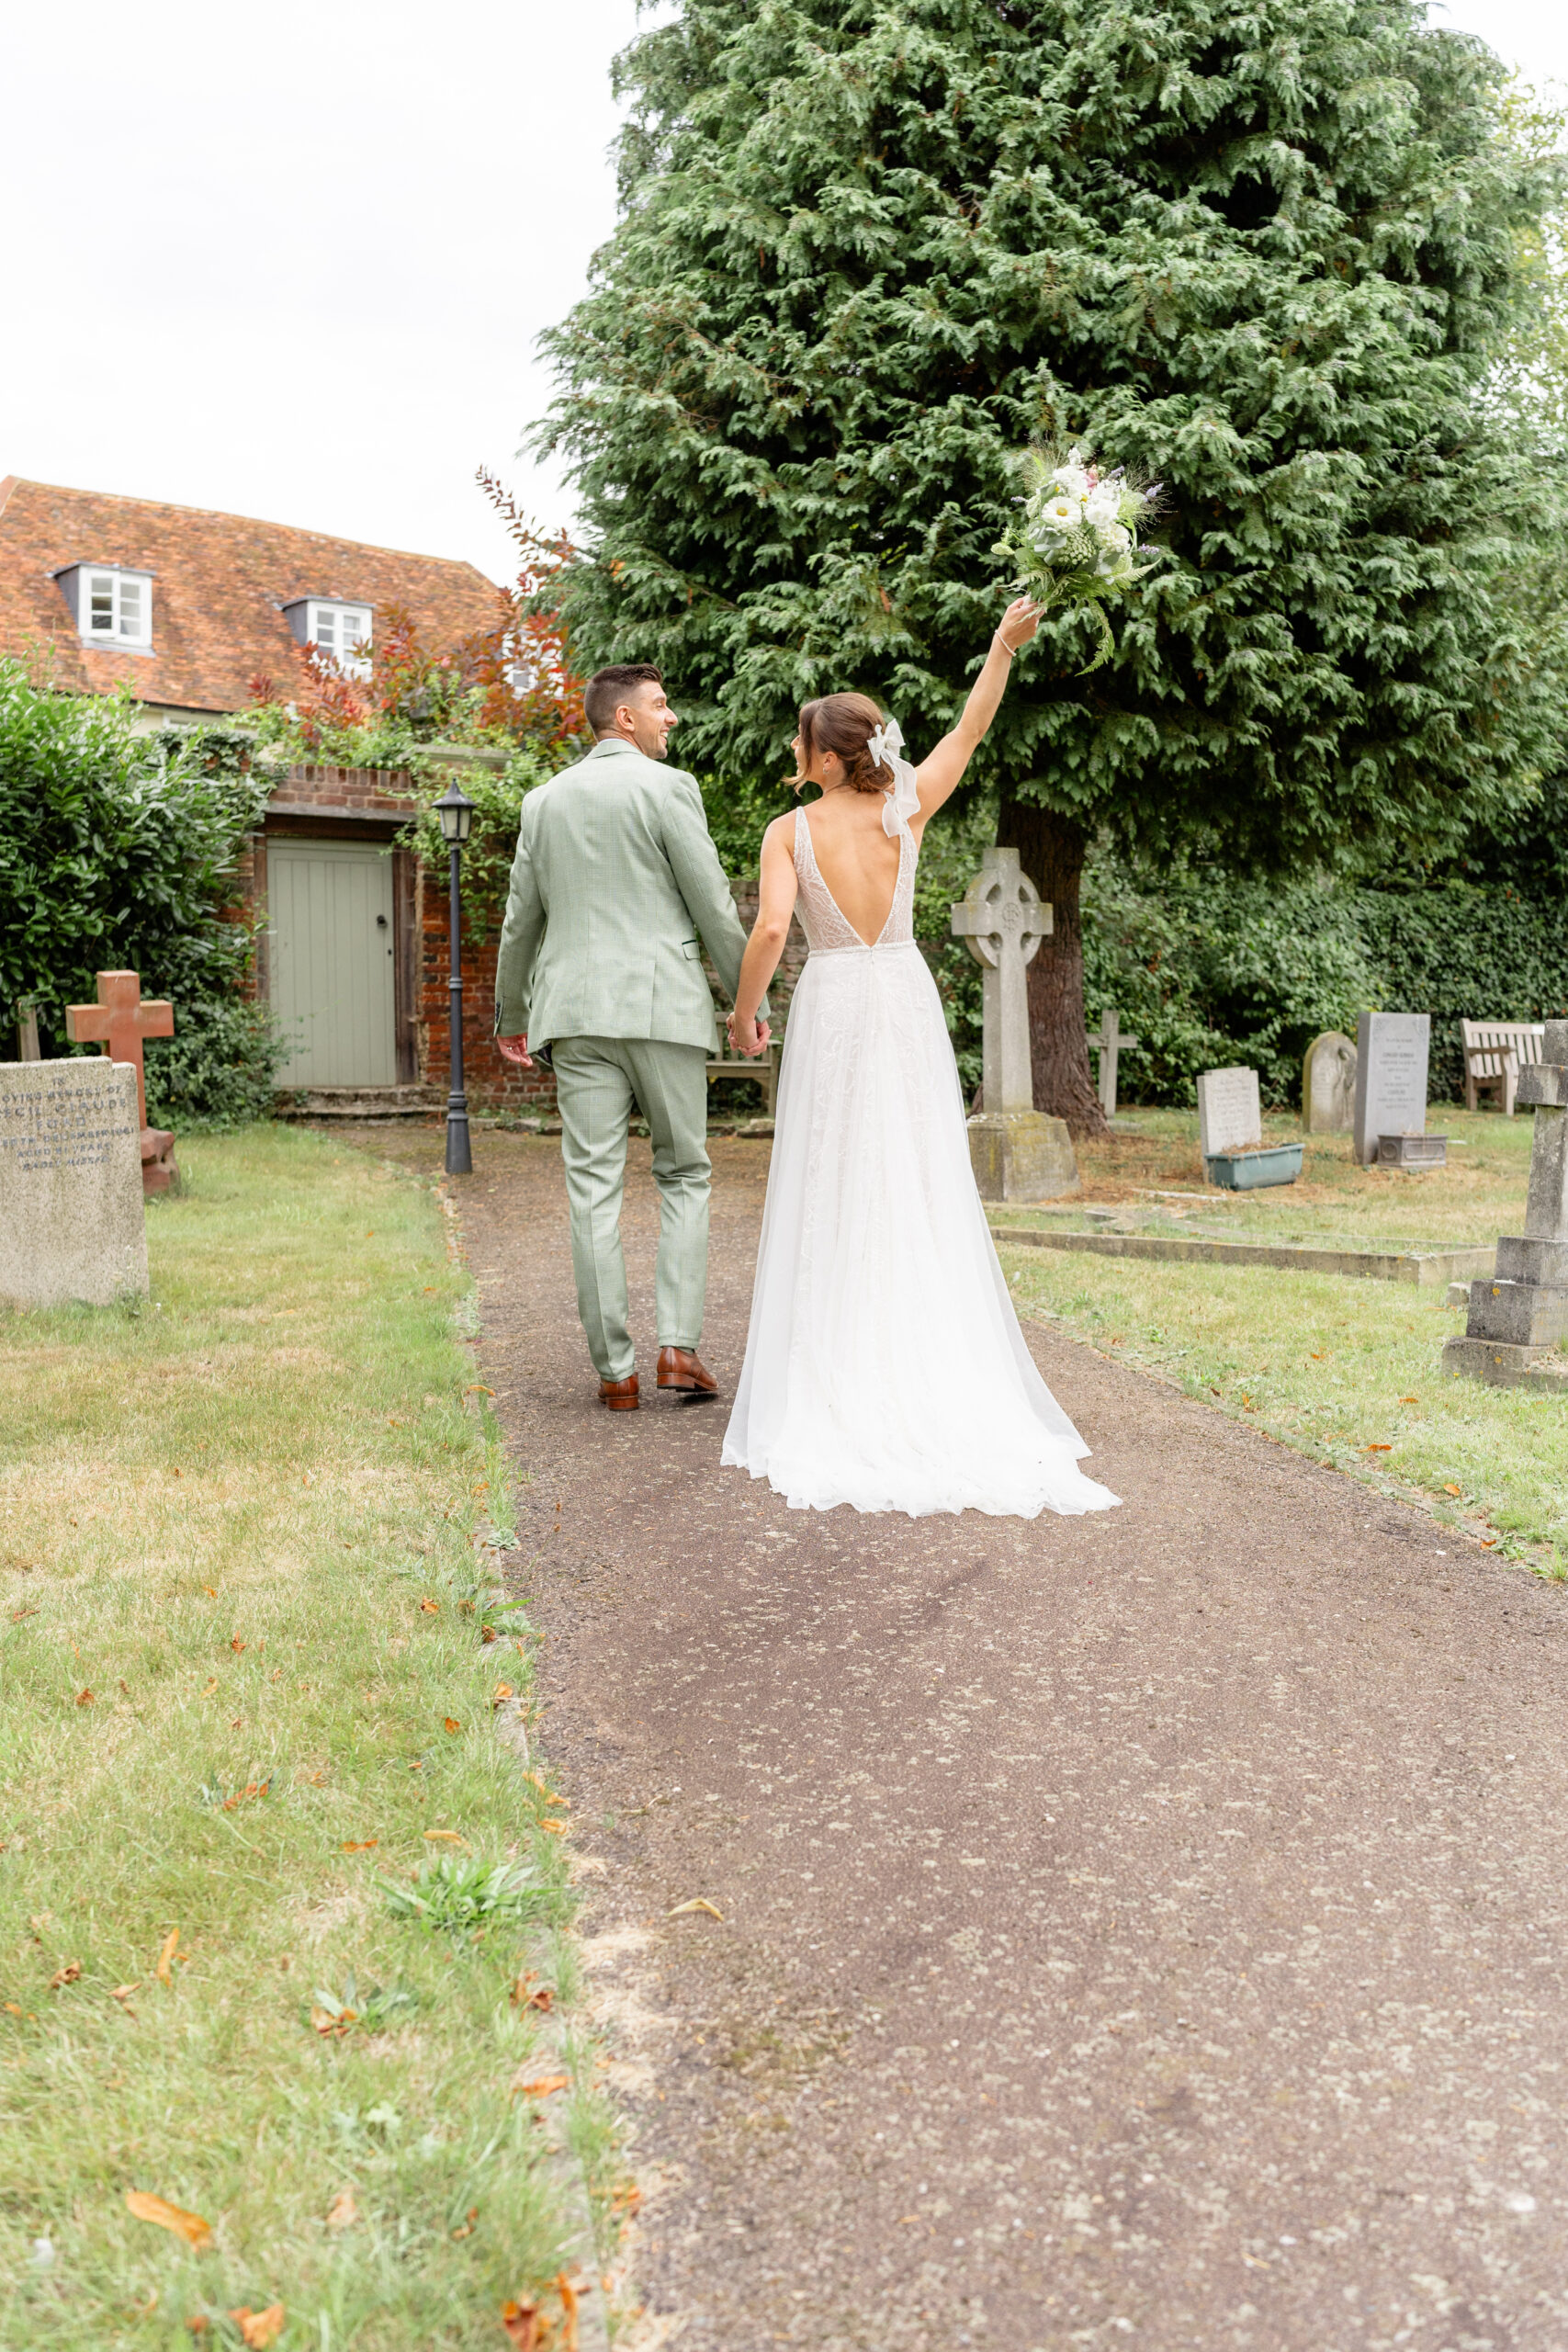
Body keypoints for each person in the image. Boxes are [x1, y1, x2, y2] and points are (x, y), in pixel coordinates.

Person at [720, 600, 1120, 1519]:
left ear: (825, 757)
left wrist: (744, 1015)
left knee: (833, 1175)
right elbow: (972, 726)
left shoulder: (791, 831)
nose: (794, 752)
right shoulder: (908, 804)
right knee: (913, 1173)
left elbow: (774, 926)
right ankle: (922, 1354)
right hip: (900, 994)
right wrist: (999, 646)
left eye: (800, 742)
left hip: (832, 996)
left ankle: (838, 1371)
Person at [493, 663, 768, 1411]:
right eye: (659, 706)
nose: (670, 718)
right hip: (662, 1010)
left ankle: (614, 1371)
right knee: (682, 1173)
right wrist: (748, 1000)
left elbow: (522, 919)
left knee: (592, 1189)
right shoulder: (667, 789)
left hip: (574, 1016)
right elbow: (711, 903)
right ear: (623, 720)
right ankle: (678, 1346)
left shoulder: (542, 802)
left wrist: (509, 1013)